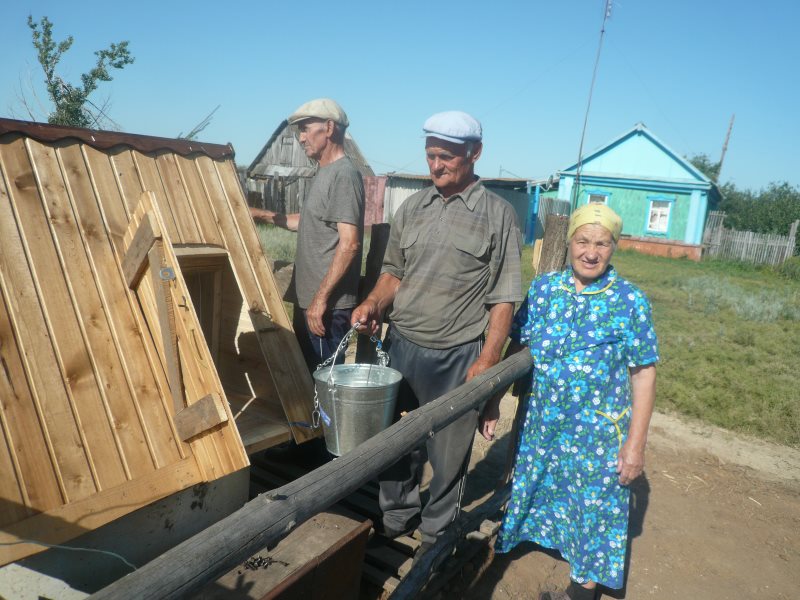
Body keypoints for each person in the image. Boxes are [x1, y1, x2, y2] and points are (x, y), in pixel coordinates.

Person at [352, 110, 523, 561]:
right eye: (430, 155)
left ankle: (435, 537)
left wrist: (487, 362)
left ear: (475, 154)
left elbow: (503, 300)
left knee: (448, 456)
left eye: (446, 156)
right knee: (394, 446)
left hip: (457, 355)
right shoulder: (414, 207)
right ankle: (394, 521)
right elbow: (393, 273)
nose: (435, 165)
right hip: (402, 345)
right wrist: (373, 304)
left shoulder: (498, 215)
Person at [479, 203, 659, 600]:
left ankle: (582, 590)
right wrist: (493, 402)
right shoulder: (545, 290)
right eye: (583, 241)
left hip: (597, 434)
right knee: (538, 489)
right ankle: (526, 549)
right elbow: (518, 346)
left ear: (614, 247)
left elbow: (643, 373)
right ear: (571, 242)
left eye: (602, 243)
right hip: (543, 425)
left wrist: (635, 444)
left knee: (592, 512)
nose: (591, 252)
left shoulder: (630, 301)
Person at [250, 98, 364, 372]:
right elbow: (309, 222)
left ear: (328, 128)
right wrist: (260, 214)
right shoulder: (323, 172)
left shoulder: (344, 175)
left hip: (328, 309)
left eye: (305, 129)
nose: (300, 138)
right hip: (313, 303)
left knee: (325, 387)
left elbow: (349, 244)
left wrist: (320, 300)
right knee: (310, 382)